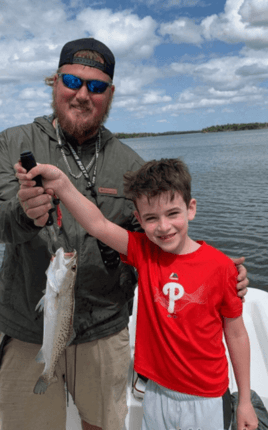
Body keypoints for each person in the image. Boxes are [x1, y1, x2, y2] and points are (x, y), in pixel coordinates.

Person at [0, 37, 247, 430]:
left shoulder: (130, 163)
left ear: (109, 94)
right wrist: (22, 213)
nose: (83, 94)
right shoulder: (14, 142)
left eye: (96, 87)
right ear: (54, 82)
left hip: (105, 332)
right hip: (30, 331)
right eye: (72, 81)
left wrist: (215, 266)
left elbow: (160, 239)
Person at [16, 157, 258, 430]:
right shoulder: (144, 252)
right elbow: (98, 225)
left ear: (191, 208)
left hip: (207, 396)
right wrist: (60, 183)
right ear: (139, 219)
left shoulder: (223, 268)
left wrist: (245, 400)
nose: (164, 227)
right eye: (151, 218)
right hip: (155, 392)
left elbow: (236, 333)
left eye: (172, 213)